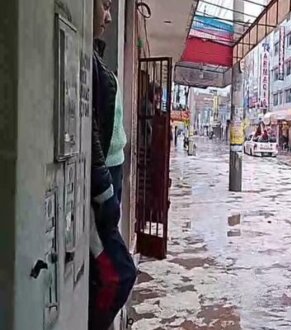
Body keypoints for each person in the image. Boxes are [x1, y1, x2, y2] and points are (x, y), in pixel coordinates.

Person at [89, 0, 137, 328]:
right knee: (120, 273)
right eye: (104, 5)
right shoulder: (87, 64)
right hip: (104, 185)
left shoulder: (94, 58)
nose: (108, 15)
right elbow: (90, 129)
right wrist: (104, 189)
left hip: (111, 180)